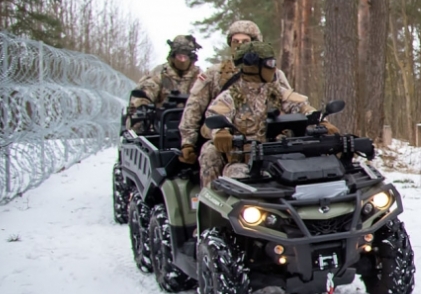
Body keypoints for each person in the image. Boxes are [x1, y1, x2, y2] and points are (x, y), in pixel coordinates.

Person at [198, 41, 314, 184]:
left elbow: (302, 106)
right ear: (252, 66)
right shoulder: (231, 96)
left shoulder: (278, 92)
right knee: (230, 172)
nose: (274, 68)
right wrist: (221, 131)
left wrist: (320, 120)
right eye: (270, 63)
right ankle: (215, 201)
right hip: (245, 162)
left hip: (281, 157)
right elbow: (213, 117)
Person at [178, 19, 291, 166]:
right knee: (209, 154)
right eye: (235, 41)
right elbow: (194, 108)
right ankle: (211, 189)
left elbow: (288, 103)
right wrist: (188, 143)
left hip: (267, 137)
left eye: (245, 41)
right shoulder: (214, 74)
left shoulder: (273, 74)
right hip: (226, 139)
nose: (239, 45)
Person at [129, 35, 200, 128]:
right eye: (179, 56)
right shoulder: (160, 74)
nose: (182, 60)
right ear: (173, 56)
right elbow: (146, 90)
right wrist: (142, 106)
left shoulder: (200, 77)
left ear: (191, 58)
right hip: (161, 125)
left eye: (185, 57)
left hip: (193, 125)